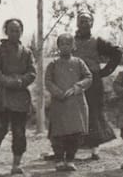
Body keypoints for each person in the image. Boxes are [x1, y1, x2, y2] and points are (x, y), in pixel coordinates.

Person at [0, 18, 36, 176]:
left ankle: (16, 165)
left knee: (19, 131)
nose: (15, 33)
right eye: (11, 30)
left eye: (18, 30)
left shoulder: (27, 52)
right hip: (4, 96)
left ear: (21, 32)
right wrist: (8, 81)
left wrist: (21, 81)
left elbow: (32, 73)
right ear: (6, 31)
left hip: (20, 96)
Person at [71, 8, 120, 160]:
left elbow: (117, 52)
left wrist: (104, 72)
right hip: (74, 82)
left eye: (87, 21)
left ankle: (94, 149)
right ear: (77, 23)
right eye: (81, 21)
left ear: (91, 24)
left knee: (94, 112)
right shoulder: (71, 41)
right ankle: (72, 147)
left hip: (93, 83)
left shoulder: (97, 41)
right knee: (73, 113)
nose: (84, 23)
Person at [44, 33, 93, 173]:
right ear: (58, 46)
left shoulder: (79, 62)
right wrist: (58, 92)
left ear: (73, 46)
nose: (65, 46)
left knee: (75, 133)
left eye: (68, 44)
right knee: (58, 134)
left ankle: (70, 159)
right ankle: (59, 160)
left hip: (76, 104)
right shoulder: (53, 64)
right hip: (59, 105)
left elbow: (89, 77)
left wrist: (78, 87)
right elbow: (48, 81)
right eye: (62, 44)